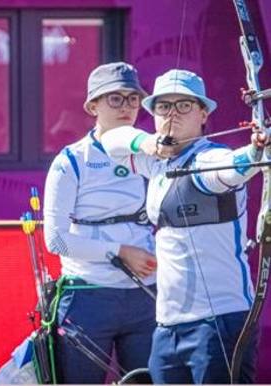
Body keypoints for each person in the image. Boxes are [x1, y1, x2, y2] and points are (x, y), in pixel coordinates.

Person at [101, 69, 264, 383]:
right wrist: (147, 143)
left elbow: (235, 168)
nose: (172, 114)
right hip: (168, 327)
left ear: (203, 113)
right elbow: (110, 140)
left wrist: (257, 149)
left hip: (219, 323)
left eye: (184, 106)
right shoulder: (155, 163)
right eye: (164, 107)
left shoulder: (210, 159)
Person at [42, 62, 157, 384]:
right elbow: (56, 240)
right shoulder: (71, 161)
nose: (126, 107)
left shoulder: (151, 152)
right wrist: (119, 251)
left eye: (132, 99)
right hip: (87, 297)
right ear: (93, 106)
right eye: (115, 99)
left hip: (145, 294)